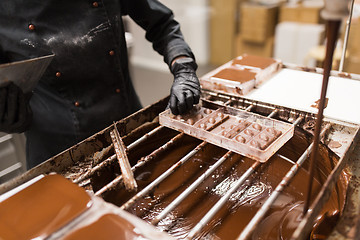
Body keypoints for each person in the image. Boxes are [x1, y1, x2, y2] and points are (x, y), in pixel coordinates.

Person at [0, 0, 201, 169]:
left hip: (128, 126)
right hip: (56, 151)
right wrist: (9, 116)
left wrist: (183, 67)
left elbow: (163, 24)